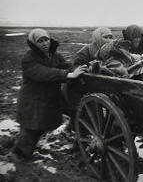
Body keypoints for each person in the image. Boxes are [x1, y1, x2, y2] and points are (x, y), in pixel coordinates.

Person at [9, 28, 87, 161]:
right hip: (33, 100)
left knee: (71, 112)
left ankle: (78, 139)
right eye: (40, 41)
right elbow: (43, 73)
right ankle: (18, 156)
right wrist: (68, 75)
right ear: (34, 43)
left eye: (46, 39)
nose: (45, 43)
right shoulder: (29, 58)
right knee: (31, 129)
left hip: (50, 97)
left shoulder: (54, 55)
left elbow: (65, 65)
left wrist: (79, 69)